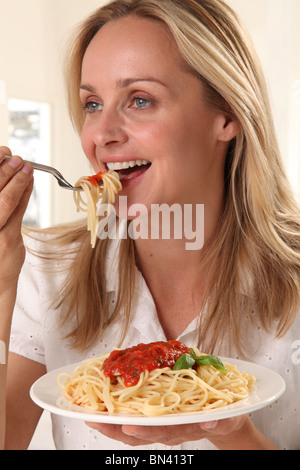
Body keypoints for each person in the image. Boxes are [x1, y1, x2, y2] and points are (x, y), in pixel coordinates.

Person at [1, 0, 300, 450]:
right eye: (93, 104)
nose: (101, 135)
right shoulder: (46, 271)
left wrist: (236, 434)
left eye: (140, 100)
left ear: (228, 115)